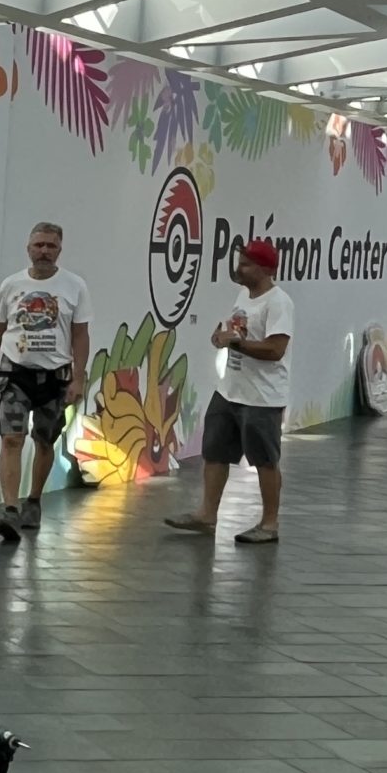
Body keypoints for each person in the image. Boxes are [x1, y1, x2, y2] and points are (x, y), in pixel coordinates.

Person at [165, 234, 292, 547]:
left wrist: (234, 343)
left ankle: (269, 523)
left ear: (265, 269)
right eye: (240, 262)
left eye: (246, 264)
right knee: (215, 453)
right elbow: (235, 331)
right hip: (229, 391)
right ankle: (207, 515)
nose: (239, 268)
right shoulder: (243, 295)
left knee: (265, 461)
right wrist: (221, 336)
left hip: (261, 398)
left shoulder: (278, 303)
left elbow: (276, 349)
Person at [0, 220, 90, 547]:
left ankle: (34, 500)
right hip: (15, 372)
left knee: (44, 440)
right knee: (11, 438)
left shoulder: (75, 286)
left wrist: (78, 377)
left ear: (60, 250)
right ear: (28, 248)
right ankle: (10, 509)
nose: (44, 251)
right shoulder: (12, 285)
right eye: (39, 245)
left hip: (55, 375)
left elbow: (81, 335)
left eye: (51, 246)